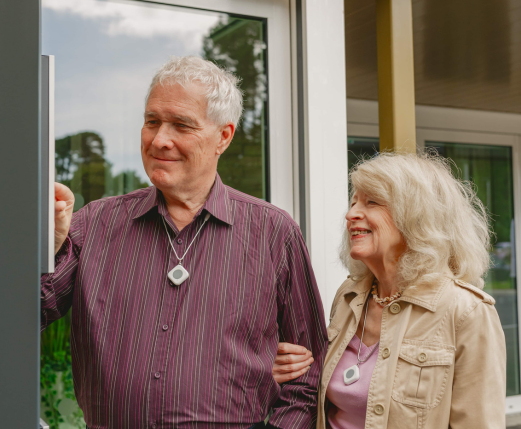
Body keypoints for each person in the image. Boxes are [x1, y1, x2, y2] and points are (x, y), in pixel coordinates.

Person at [45, 56, 328, 429]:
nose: (160, 139)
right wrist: (42, 249)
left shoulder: (273, 233)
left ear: (223, 137)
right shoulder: (94, 224)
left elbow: (310, 376)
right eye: (152, 122)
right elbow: (25, 314)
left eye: (181, 125)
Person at [274, 152, 506, 429]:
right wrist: (283, 368)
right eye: (353, 202)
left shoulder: (466, 311)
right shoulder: (349, 295)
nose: (351, 214)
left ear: (417, 215)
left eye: (371, 201)